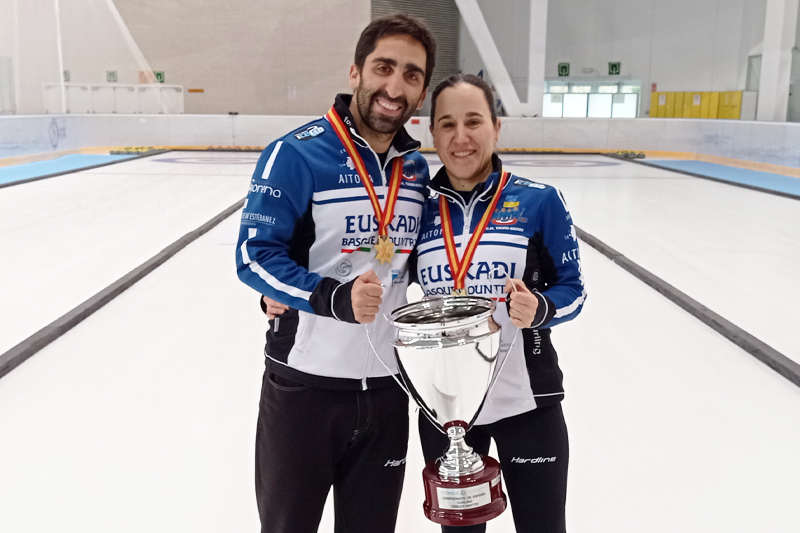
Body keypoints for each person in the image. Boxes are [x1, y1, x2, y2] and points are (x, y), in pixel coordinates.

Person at [235, 14, 436, 533]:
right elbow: (255, 256)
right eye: (384, 67)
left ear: (421, 92)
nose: (394, 87)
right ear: (355, 73)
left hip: (389, 393)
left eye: (411, 75)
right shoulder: (295, 153)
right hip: (305, 392)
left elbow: (420, 261)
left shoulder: (414, 171)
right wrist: (328, 297)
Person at [414, 74, 586, 533]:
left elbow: (574, 290)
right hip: (446, 409)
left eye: (473, 121)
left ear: (496, 126)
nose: (461, 137)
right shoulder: (417, 209)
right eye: (447, 124)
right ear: (432, 133)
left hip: (527, 404)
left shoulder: (540, 201)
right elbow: (376, 274)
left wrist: (541, 309)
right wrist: (283, 300)